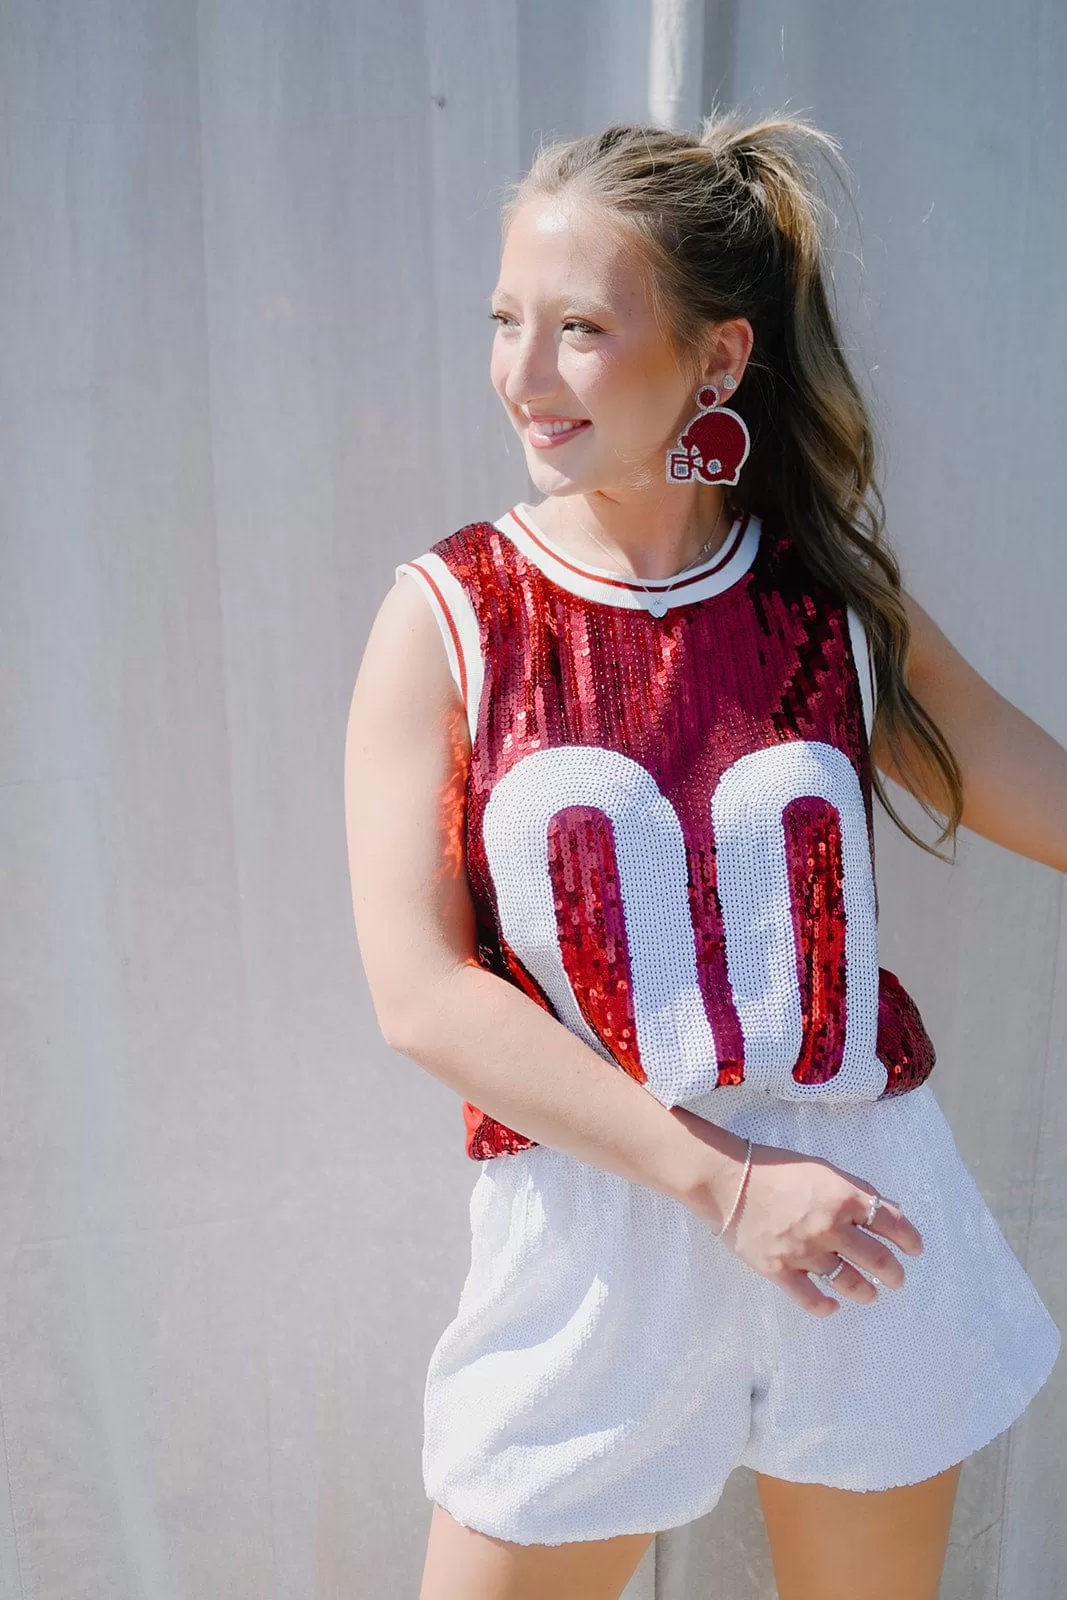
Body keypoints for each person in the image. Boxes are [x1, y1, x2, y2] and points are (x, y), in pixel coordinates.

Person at [344, 110, 1066, 1600]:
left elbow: (1025, 779)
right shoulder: (454, 614)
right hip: (597, 1240)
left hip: (857, 1221)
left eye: (580, 330)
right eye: (506, 321)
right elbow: (421, 996)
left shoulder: (825, 601)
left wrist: (779, 1184)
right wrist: (723, 1184)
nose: (522, 377)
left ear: (716, 360)